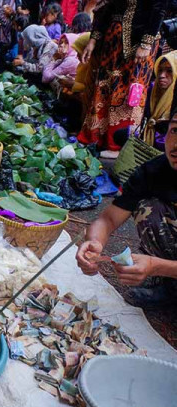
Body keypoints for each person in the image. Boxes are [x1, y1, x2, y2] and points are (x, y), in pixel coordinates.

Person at [76, 102, 177, 309]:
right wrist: (95, 242)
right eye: (175, 130)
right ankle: (171, 287)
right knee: (149, 209)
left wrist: (156, 266)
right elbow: (109, 219)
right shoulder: (153, 172)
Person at [77, 0, 168, 157]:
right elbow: (107, 6)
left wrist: (146, 43)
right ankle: (96, 137)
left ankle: (117, 146)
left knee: (131, 93)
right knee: (104, 87)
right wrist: (93, 39)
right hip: (113, 39)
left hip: (138, 42)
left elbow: (159, 7)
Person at [141, 52, 177, 150]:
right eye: (160, 70)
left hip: (170, 140)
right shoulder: (153, 89)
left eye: (169, 71)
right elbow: (146, 118)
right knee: (120, 134)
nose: (161, 75)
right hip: (151, 134)